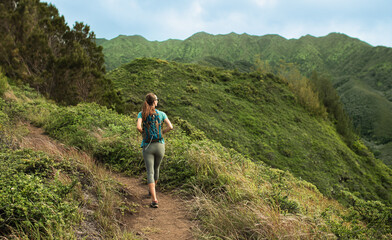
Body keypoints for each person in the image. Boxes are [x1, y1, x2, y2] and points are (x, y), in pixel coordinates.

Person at [137, 93, 173, 208]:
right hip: (160, 145)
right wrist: (162, 133)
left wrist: (144, 133)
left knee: (150, 172)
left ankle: (154, 199)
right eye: (157, 100)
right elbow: (170, 127)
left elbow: (138, 127)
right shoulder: (162, 114)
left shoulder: (142, 113)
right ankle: (152, 191)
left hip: (148, 146)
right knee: (156, 169)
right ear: (155, 102)